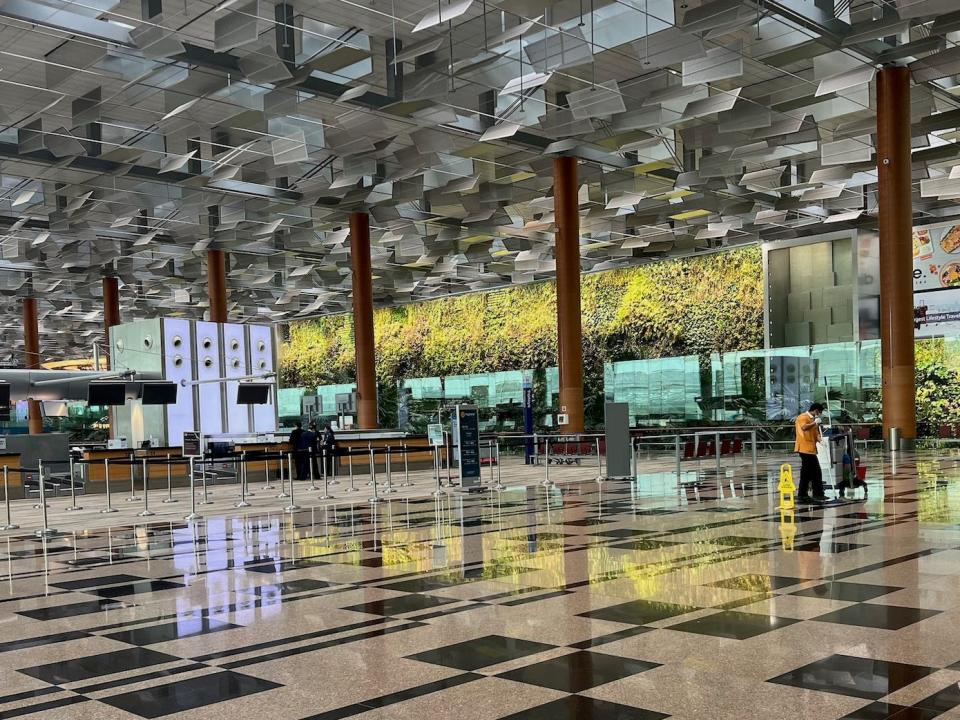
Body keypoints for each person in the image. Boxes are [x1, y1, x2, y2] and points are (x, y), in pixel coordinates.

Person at [794, 402, 827, 504]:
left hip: (811, 449)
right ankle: (805, 494)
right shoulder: (802, 417)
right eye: (819, 412)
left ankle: (815, 493)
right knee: (810, 472)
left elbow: (815, 433)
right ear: (816, 410)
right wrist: (815, 423)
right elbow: (804, 428)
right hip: (804, 449)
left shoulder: (813, 420)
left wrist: (820, 440)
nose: (820, 414)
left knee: (812, 472)